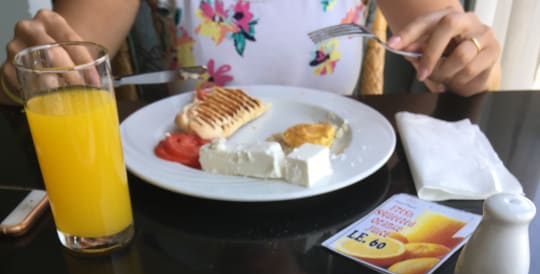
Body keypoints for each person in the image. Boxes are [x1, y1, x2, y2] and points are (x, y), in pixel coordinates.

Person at [0, 0, 500, 105]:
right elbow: (62, 60)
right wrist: (36, 70)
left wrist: (469, 61)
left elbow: (463, 60)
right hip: (188, 196)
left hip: (337, 193)